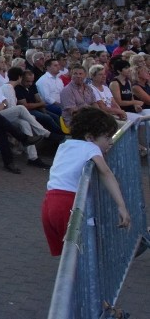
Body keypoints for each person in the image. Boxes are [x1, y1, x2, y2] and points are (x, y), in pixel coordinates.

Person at [41, 107, 130, 256]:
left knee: (68, 257)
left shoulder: (64, 145)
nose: (110, 143)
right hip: (69, 205)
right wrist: (121, 206)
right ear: (90, 137)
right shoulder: (91, 148)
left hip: (49, 202)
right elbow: (106, 173)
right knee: (81, 254)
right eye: (107, 138)